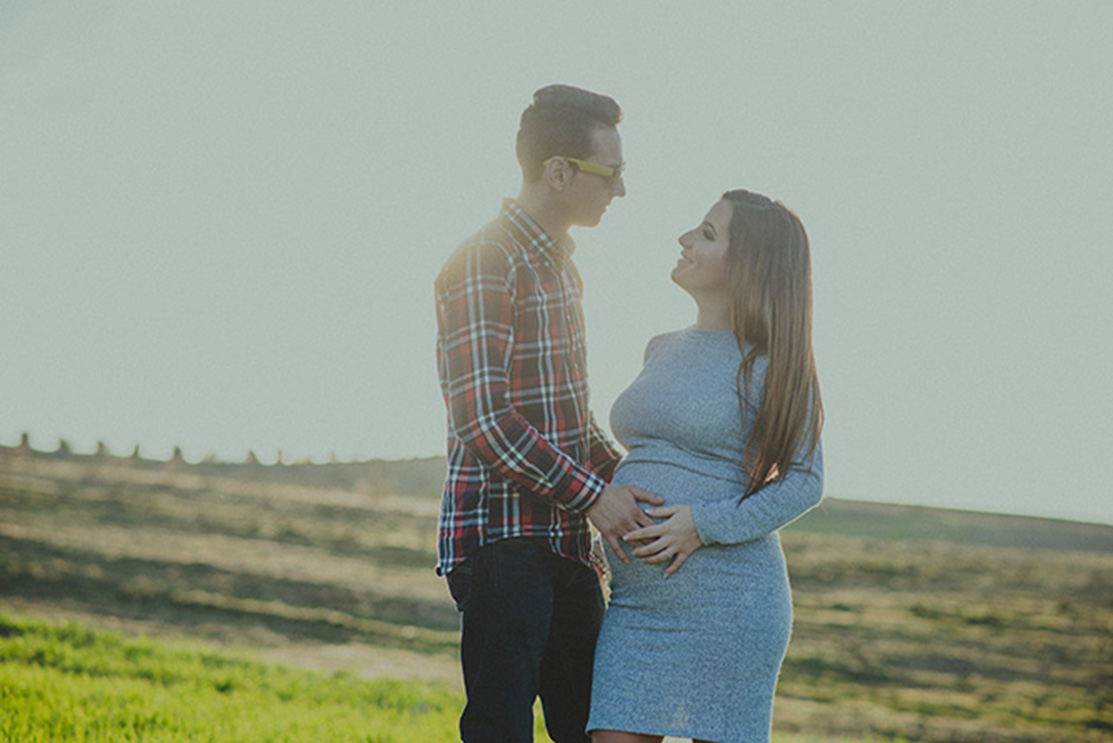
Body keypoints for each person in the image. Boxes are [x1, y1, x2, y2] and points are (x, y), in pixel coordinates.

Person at [434, 84, 664, 743]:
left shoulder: (562, 269)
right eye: (610, 173)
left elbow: (567, 416)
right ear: (558, 171)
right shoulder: (486, 259)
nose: (618, 190)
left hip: (566, 541)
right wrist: (593, 493)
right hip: (503, 541)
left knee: (594, 725)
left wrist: (626, 478)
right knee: (500, 728)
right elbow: (483, 417)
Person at [587, 190, 825, 743]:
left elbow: (806, 480)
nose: (685, 239)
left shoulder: (774, 363)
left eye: (707, 233)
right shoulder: (661, 347)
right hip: (636, 612)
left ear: (747, 266)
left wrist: (703, 524)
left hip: (730, 608)